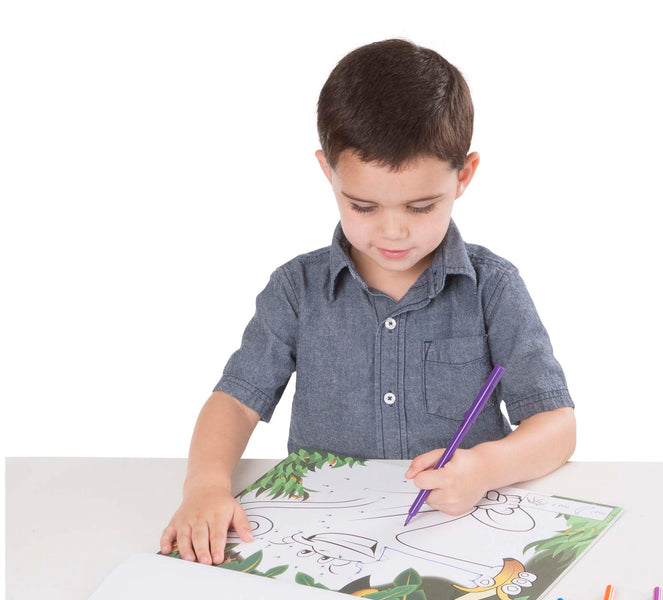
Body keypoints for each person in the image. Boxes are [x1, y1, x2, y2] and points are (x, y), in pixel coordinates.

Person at [160, 38, 576, 566]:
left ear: (463, 177)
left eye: (420, 206)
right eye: (363, 206)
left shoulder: (492, 288)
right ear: (328, 172)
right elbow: (236, 402)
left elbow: (557, 427)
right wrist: (205, 485)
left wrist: (487, 468)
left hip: (458, 533)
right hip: (320, 541)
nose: (393, 231)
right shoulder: (297, 289)